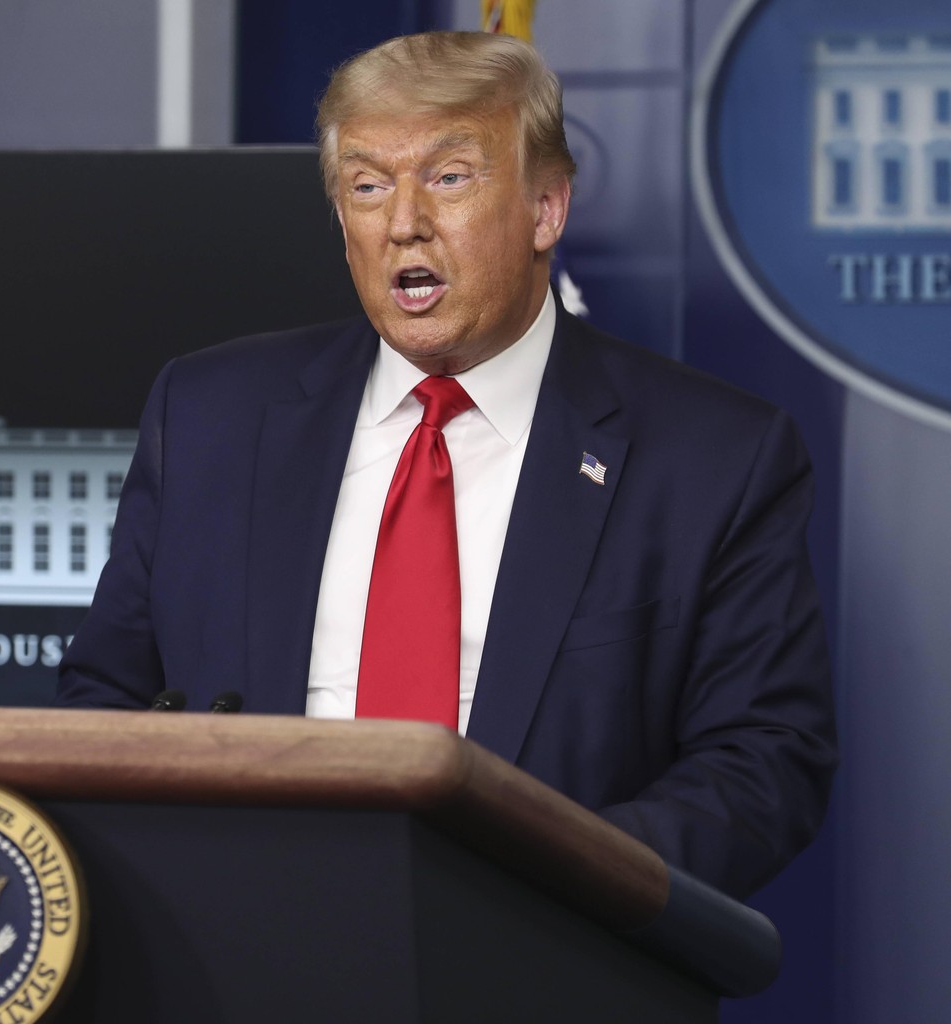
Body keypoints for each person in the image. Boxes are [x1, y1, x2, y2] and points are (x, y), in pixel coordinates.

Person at [56, 31, 835, 901]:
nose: (404, 223)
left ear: (547, 208)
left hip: (544, 953)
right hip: (240, 943)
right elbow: (104, 698)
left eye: (450, 177)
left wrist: (537, 885)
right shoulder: (209, 415)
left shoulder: (714, 457)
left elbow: (763, 764)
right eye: (366, 186)